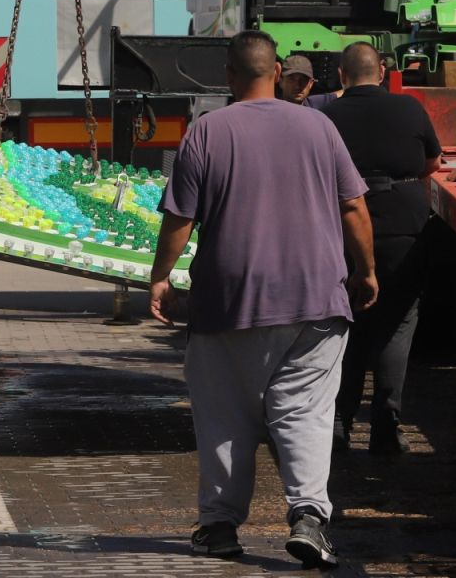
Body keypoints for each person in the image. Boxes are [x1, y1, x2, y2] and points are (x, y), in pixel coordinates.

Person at [151, 30, 378, 568]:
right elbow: (354, 208)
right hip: (316, 300)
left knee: (224, 415)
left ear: (228, 76)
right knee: (305, 414)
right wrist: (366, 271)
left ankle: (221, 526)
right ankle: (308, 519)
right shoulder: (319, 126)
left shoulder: (206, 132)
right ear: (278, 71)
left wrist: (161, 277)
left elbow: (180, 219)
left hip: (228, 301)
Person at [320, 41, 442, 456]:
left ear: (341, 75)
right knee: (398, 322)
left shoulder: (326, 116)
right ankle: (387, 427)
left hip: (341, 229)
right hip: (403, 228)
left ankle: (339, 421)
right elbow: (432, 164)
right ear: (383, 71)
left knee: (348, 323)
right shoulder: (409, 108)